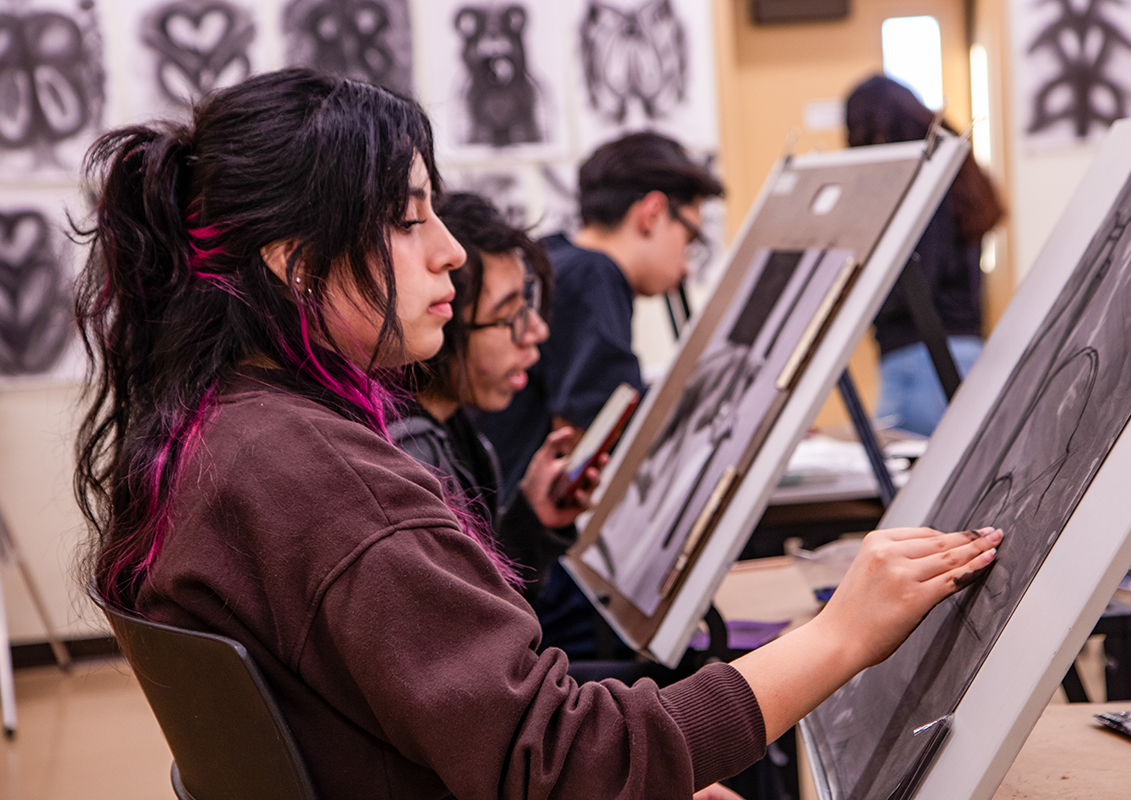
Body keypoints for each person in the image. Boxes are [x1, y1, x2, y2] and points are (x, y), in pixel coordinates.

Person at [74, 68, 1003, 800]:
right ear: (295, 264)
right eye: (407, 219)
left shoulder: (218, 428)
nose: (449, 251)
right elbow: (561, 766)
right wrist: (840, 634)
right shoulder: (319, 474)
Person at [479, 131, 721, 504]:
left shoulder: (556, 257)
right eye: (688, 239)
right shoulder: (595, 275)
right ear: (652, 213)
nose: (686, 267)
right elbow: (594, 434)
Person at [388, 191, 589, 600]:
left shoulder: (455, 431)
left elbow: (488, 613)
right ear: (442, 318)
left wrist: (532, 519)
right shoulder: (410, 457)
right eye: (508, 316)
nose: (536, 332)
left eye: (528, 306)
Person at [845, 75, 1005, 437]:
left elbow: (916, 283)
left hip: (921, 361)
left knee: (902, 486)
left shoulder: (920, 183)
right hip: (964, 352)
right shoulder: (956, 171)